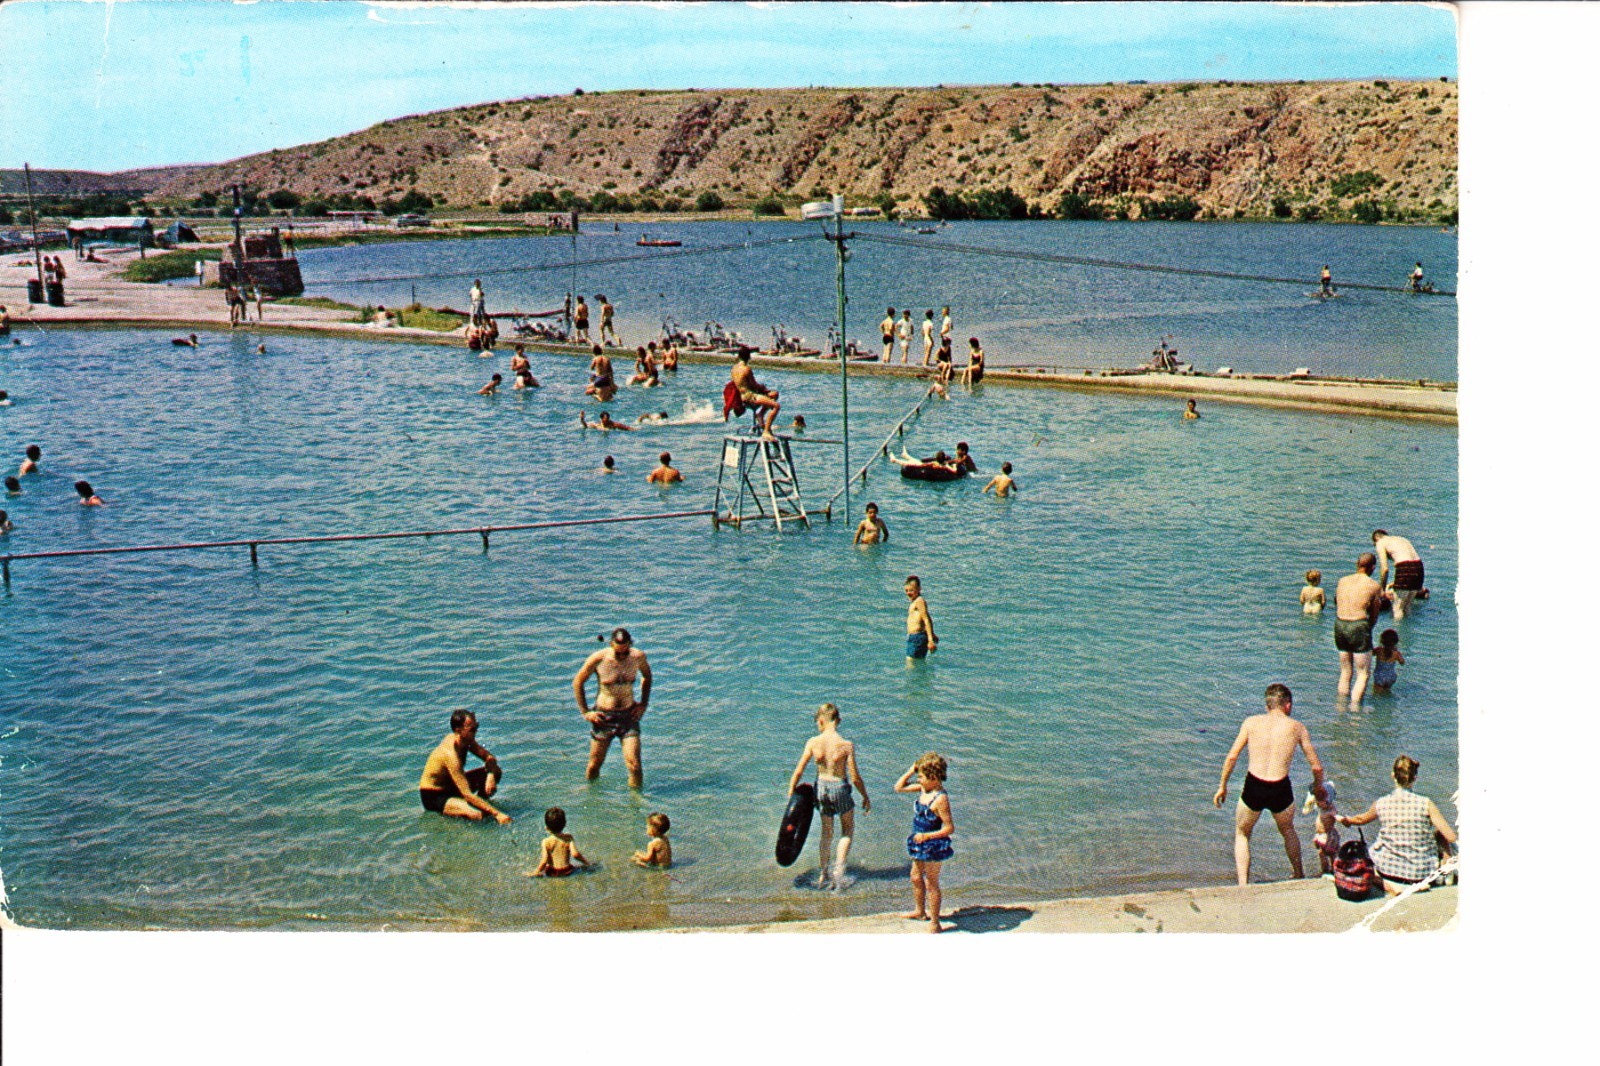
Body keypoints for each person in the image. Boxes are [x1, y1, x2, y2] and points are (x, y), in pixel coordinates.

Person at [1213, 683, 1325, 886]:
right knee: (1288, 830)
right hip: (1280, 787)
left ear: (1267, 705)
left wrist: (1223, 785)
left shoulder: (1251, 723)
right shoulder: (1297, 727)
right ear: (1288, 705)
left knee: (1243, 833)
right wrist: (1318, 788)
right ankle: (1299, 875)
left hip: (1254, 786)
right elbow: (1316, 767)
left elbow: (1232, 757)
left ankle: (1243, 885)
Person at [1338, 755, 1457, 895]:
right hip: (1421, 874)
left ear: (1393, 775)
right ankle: (1445, 871)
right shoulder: (1425, 803)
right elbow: (1451, 837)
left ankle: (1385, 884)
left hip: (1388, 870)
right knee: (1439, 833)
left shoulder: (1382, 803)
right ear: (1414, 778)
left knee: (1369, 860)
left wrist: (1346, 820)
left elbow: (1360, 819)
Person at [788, 703, 871, 888]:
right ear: (838, 721)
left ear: (821, 720)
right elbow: (855, 777)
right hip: (840, 787)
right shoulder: (846, 745)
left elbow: (799, 770)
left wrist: (791, 791)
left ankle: (823, 874)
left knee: (826, 833)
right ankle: (838, 874)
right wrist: (865, 796)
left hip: (821, 789)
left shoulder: (813, 742)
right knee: (847, 830)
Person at [573, 627, 652, 788]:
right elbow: (578, 682)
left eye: (625, 651)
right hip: (604, 717)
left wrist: (644, 703)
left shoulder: (638, 657)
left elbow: (647, 677)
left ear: (630, 644)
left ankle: (636, 806)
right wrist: (586, 712)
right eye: (618, 652)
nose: (622, 656)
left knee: (635, 766)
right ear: (611, 644)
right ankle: (591, 799)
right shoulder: (598, 659)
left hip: (629, 716)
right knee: (594, 765)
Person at [416, 709, 510, 823]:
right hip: (434, 795)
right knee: (478, 814)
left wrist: (490, 775)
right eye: (472, 729)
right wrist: (497, 813)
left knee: (497, 772)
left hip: (453, 786)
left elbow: (489, 757)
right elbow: (467, 794)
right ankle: (466, 811)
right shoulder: (450, 755)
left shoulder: (466, 741)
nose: (476, 732)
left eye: (477, 727)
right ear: (459, 731)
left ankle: (480, 804)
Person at [895, 752, 954, 933]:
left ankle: (935, 922)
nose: (918, 780)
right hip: (919, 842)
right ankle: (920, 911)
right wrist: (911, 770)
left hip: (933, 844)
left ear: (934, 778)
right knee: (915, 876)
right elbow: (899, 787)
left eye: (920, 777)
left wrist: (927, 837)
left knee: (931, 882)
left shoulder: (940, 799)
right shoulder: (923, 790)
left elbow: (949, 828)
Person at [1335, 553, 1383, 702]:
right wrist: (1368, 629)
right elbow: (1374, 614)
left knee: (1345, 671)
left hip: (1340, 624)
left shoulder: (1342, 581)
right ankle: (1355, 712)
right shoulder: (1374, 586)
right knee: (1362, 674)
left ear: (1357, 564)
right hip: (1358, 624)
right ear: (1373, 568)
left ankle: (1341, 707)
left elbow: (1338, 602)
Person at [1372, 530, 1425, 620]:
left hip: (1405, 567)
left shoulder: (1380, 543)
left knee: (1397, 609)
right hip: (1419, 567)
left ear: (1376, 539)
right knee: (1407, 607)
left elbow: (1385, 569)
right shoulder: (1401, 539)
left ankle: (1396, 631)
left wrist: (1382, 590)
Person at [730, 348, 781, 439]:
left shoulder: (734, 369)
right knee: (776, 406)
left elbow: (738, 384)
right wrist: (764, 389)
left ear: (739, 356)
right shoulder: (747, 369)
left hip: (741, 397)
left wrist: (765, 391)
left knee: (774, 394)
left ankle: (760, 415)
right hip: (750, 396)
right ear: (748, 357)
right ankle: (766, 431)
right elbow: (754, 386)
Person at [526, 807, 590, 877]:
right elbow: (575, 854)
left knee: (545, 869)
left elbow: (544, 860)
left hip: (552, 872)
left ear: (546, 828)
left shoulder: (546, 841)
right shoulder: (568, 838)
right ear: (565, 824)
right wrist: (587, 863)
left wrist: (536, 872)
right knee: (578, 867)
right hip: (567, 871)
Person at [1302, 781, 1341, 876]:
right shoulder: (1322, 807)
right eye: (1317, 800)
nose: (1317, 803)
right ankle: (1325, 870)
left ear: (1328, 801)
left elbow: (1337, 817)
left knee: (1332, 854)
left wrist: (1345, 820)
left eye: (1319, 801)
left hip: (1329, 835)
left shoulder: (1331, 810)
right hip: (1321, 835)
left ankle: (1333, 870)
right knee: (1321, 854)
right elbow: (1311, 800)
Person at [904, 575, 938, 663]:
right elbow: (928, 618)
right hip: (915, 637)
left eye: (911, 590)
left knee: (910, 664)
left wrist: (930, 640)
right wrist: (932, 633)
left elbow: (926, 619)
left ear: (919, 589)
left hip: (917, 638)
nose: (908, 593)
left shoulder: (919, 601)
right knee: (916, 663)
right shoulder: (915, 602)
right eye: (906, 590)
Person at [1372, 629, 1405, 694]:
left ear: (1382, 640)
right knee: (1387, 693)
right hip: (1390, 677)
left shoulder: (1379, 650)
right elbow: (1402, 662)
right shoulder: (1396, 653)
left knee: (1377, 695)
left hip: (1380, 676)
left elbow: (1370, 654)